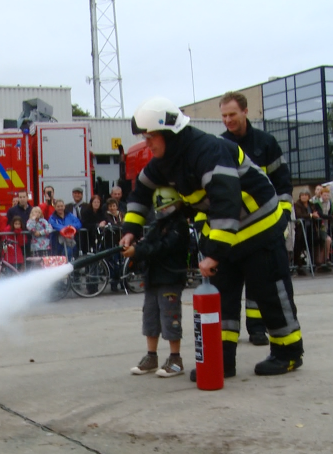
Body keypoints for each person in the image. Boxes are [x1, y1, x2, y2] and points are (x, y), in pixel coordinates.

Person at [121, 96, 302, 378]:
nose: (147, 143)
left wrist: (214, 252)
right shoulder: (166, 160)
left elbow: (225, 198)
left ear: (169, 133)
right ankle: (221, 360)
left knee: (270, 294)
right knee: (224, 298)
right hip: (228, 236)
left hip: (260, 228)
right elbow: (141, 191)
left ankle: (288, 353)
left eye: (150, 136)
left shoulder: (208, 150)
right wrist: (130, 230)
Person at [220, 91, 294, 344]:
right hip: (235, 229)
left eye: (232, 114)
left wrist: (282, 220)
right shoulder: (220, 147)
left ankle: (257, 328)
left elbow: (282, 183)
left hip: (265, 227)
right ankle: (230, 336)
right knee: (230, 286)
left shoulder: (266, 143)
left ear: (245, 112)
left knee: (261, 283)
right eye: (224, 116)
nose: (228, 120)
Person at [124, 187, 190, 377]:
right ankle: (151, 357)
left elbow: (163, 247)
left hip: (170, 279)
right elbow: (147, 243)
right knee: (150, 319)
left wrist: (138, 252)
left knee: (171, 318)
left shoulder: (179, 226)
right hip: (153, 278)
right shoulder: (158, 223)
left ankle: (175, 359)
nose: (161, 211)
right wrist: (134, 248)